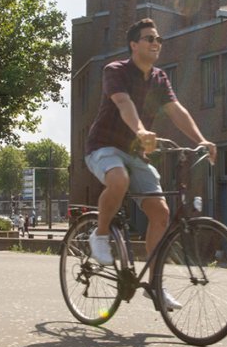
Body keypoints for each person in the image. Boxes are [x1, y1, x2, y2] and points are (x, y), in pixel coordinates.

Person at [84, 18, 217, 311]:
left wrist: (202, 139)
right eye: (149, 39)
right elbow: (123, 103)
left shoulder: (159, 78)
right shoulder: (115, 70)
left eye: (158, 39)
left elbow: (176, 110)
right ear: (134, 44)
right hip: (103, 147)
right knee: (118, 180)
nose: (156, 43)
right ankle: (101, 234)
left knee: (161, 212)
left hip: (135, 154)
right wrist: (141, 130)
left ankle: (155, 285)